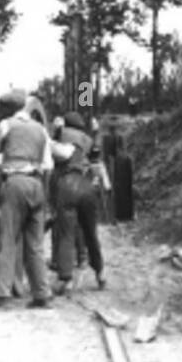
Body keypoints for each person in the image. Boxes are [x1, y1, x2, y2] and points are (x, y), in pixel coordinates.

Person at [0, 90, 52, 310]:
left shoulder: (7, 124)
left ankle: (1, 293)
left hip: (16, 183)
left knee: (8, 240)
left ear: (8, 108)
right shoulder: (40, 129)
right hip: (37, 185)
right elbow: (47, 164)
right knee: (35, 244)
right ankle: (42, 294)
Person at [52, 111, 105, 294]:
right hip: (86, 185)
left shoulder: (62, 133)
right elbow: (96, 157)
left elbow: (52, 152)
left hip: (67, 185)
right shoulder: (88, 139)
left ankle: (65, 279)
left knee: (66, 233)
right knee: (91, 232)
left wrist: (56, 128)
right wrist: (96, 132)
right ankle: (100, 273)